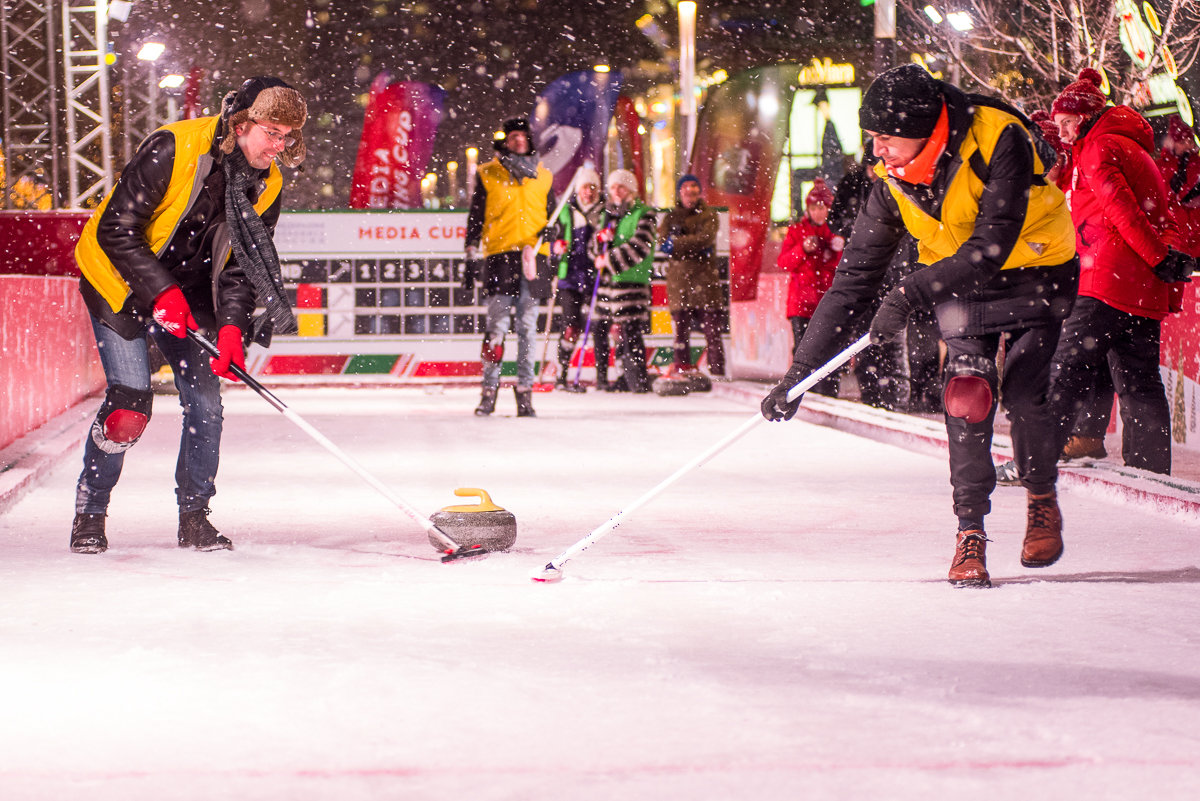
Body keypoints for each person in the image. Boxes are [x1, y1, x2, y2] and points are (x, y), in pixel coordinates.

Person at [761, 64, 1080, 588]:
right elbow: (854, 280)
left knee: (1025, 394)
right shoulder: (890, 182)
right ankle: (970, 530)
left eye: (885, 138)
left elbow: (992, 245)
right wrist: (801, 373)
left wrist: (907, 295)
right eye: (872, 139)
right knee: (967, 393)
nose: (876, 151)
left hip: (1035, 272)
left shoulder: (1000, 137)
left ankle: (1041, 497)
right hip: (961, 282)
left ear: (922, 130)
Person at [69, 76, 307, 554]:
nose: (278, 146)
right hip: (117, 280)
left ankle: (194, 517)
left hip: (191, 295)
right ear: (241, 123)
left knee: (206, 407)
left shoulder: (269, 182)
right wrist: (161, 293)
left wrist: (234, 327)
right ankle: (90, 512)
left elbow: (243, 264)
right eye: (272, 132)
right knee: (129, 407)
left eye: (288, 138)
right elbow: (116, 230)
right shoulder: (173, 147)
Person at [1046, 69, 1193, 475]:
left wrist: (1158, 256)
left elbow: (1121, 209)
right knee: (1139, 378)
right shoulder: (1122, 144)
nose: (1062, 134)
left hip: (1108, 276)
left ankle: (1035, 459)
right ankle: (1150, 473)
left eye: (1065, 124)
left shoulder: (1099, 148)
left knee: (1066, 367)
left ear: (1084, 117)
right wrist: (1159, 261)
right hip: (1139, 282)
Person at [464, 117, 555, 417]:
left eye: (523, 136)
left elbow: (553, 216)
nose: (518, 140)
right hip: (500, 258)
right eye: (513, 136)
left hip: (534, 258)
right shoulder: (489, 173)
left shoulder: (544, 177)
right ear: (505, 142)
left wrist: (554, 234)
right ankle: (489, 390)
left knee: (528, 330)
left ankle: (525, 393)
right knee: (496, 329)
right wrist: (470, 253)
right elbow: (476, 216)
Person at [589, 168, 657, 392]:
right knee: (601, 330)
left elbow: (640, 246)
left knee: (630, 332)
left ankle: (637, 379)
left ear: (631, 190)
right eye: (612, 187)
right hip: (608, 284)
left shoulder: (644, 213)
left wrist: (608, 259)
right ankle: (613, 376)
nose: (616, 192)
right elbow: (593, 248)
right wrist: (600, 242)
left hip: (631, 281)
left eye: (621, 187)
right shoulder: (607, 214)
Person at [776, 178, 842, 395]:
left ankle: (828, 391)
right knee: (803, 352)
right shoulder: (796, 232)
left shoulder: (837, 232)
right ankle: (802, 392)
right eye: (814, 208)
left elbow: (844, 265)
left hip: (827, 303)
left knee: (829, 351)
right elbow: (784, 262)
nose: (817, 213)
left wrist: (836, 248)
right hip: (801, 305)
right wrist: (802, 249)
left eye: (821, 208)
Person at [658, 173, 725, 380]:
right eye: (686, 189)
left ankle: (717, 373)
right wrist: (693, 246)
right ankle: (682, 370)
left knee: (712, 331)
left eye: (693, 189)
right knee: (680, 332)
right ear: (680, 193)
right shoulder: (671, 217)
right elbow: (662, 242)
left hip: (704, 282)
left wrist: (677, 244)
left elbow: (705, 239)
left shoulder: (709, 215)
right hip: (680, 283)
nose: (690, 194)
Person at [547, 166, 603, 391]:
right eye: (584, 188)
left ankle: (602, 376)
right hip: (569, 275)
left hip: (595, 275)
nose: (588, 193)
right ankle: (562, 373)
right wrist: (555, 247)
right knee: (570, 325)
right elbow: (551, 239)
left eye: (592, 188)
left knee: (598, 324)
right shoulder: (565, 211)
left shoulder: (603, 212)